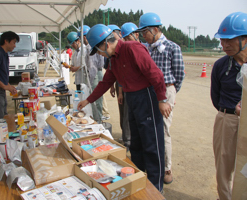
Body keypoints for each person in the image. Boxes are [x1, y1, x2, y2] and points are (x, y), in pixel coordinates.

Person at [78, 24, 172, 192]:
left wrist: (162, 99)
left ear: (106, 43)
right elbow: (106, 82)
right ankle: (138, 181)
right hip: (132, 99)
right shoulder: (113, 59)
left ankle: (156, 189)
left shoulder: (132, 48)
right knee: (136, 143)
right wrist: (88, 100)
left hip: (147, 97)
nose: (99, 54)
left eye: (98, 50)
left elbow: (155, 73)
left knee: (152, 145)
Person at [137, 12, 185, 184]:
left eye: (145, 32)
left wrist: (171, 93)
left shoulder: (173, 48)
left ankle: (167, 167)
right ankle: (152, 163)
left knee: (163, 129)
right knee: (150, 127)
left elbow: (179, 75)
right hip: (149, 90)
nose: (143, 36)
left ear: (156, 29)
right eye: (142, 33)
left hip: (166, 90)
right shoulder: (145, 48)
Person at [210, 12, 247, 200]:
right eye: (222, 40)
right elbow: (215, 98)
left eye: (229, 40)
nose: (224, 45)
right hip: (228, 119)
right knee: (224, 165)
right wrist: (231, 111)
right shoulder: (220, 66)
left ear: (245, 39)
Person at [78, 25, 104, 122]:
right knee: (97, 100)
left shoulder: (90, 48)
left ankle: (98, 121)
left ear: (85, 37)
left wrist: (90, 82)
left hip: (95, 75)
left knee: (96, 101)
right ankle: (98, 120)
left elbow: (92, 67)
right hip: (97, 73)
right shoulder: (92, 46)